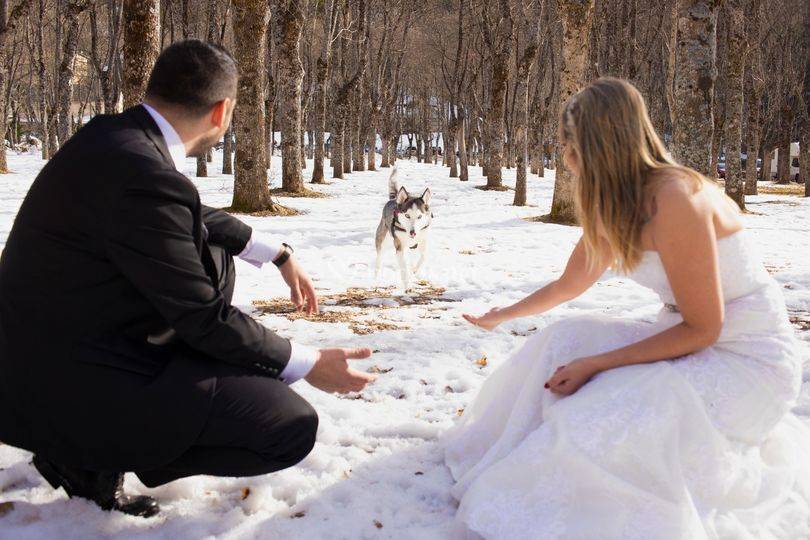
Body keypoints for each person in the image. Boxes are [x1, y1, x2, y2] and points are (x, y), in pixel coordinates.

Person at [0, 40, 376, 518]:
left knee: (217, 255)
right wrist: (308, 362)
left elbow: (185, 216)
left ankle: (124, 425)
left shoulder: (111, 136)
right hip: (71, 382)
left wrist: (277, 254)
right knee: (290, 426)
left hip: (43, 352)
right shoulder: (143, 174)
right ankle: (90, 460)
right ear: (221, 112)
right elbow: (205, 317)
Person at [446, 78, 810, 539]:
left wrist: (596, 364)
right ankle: (521, 463)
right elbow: (567, 285)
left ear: (599, 144)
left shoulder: (677, 198)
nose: (564, 157)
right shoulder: (611, 205)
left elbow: (705, 328)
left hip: (746, 359)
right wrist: (502, 315)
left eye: (570, 145)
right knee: (564, 339)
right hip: (687, 334)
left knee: (605, 410)